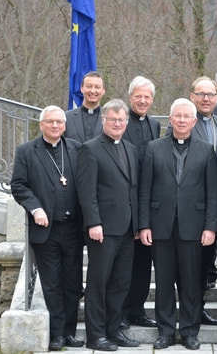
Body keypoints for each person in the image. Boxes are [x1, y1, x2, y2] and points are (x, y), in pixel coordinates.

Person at [138, 98, 217, 350]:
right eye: (178, 116)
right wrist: (144, 225)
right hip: (161, 226)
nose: (182, 120)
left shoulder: (207, 150)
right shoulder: (153, 148)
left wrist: (210, 227)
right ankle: (165, 332)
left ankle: (189, 332)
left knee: (191, 283)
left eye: (187, 116)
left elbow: (212, 193)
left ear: (194, 121)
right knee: (163, 282)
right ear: (170, 119)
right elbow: (145, 190)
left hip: (193, 228)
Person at [11, 105, 85, 351]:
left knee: (73, 283)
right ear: (41, 124)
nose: (55, 126)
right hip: (47, 231)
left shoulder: (75, 148)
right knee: (52, 283)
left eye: (59, 122)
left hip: (73, 229)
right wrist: (35, 208)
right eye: (50, 122)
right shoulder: (26, 151)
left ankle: (71, 333)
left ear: (65, 125)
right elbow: (19, 186)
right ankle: (57, 334)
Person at [77, 99, 140, 351]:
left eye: (121, 120)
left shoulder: (131, 149)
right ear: (104, 121)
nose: (117, 123)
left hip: (127, 229)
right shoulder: (90, 149)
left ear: (126, 122)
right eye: (112, 119)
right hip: (102, 229)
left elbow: (131, 189)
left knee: (120, 284)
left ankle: (114, 331)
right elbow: (86, 191)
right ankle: (96, 335)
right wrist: (93, 222)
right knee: (98, 284)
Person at [188, 76, 217, 325]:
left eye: (211, 95)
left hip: (216, 203)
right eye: (201, 94)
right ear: (192, 96)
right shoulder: (183, 122)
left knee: (207, 260)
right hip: (192, 205)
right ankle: (190, 309)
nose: (206, 99)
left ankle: (200, 307)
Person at [120, 76, 161, 330]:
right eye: (138, 96)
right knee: (125, 263)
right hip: (125, 201)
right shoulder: (121, 122)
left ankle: (138, 310)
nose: (143, 100)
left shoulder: (156, 125)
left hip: (149, 202)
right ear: (130, 97)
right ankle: (122, 311)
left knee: (144, 263)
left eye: (147, 97)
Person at [65, 71, 106, 142]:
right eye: (89, 86)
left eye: (97, 87)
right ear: (82, 89)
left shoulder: (110, 119)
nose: (93, 91)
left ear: (103, 91)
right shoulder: (66, 118)